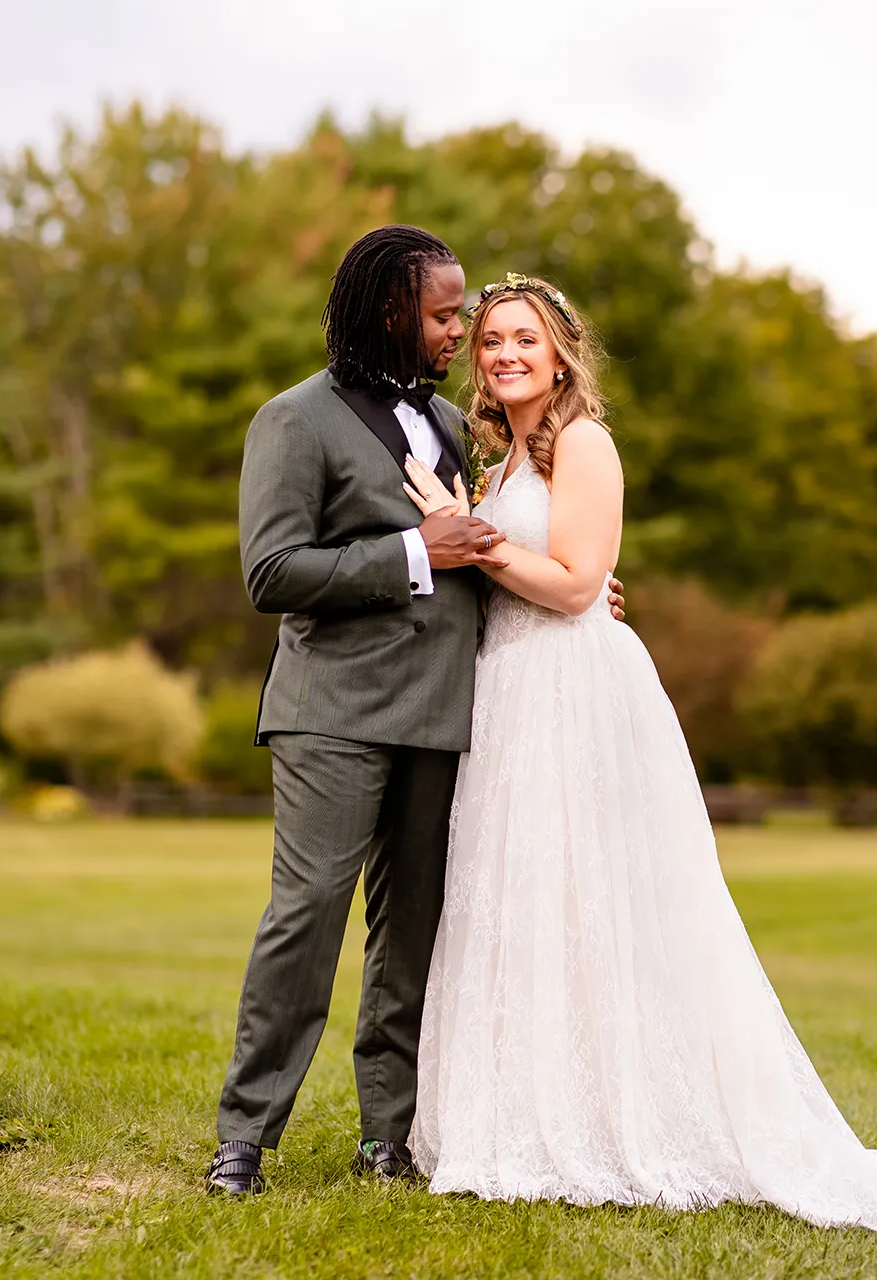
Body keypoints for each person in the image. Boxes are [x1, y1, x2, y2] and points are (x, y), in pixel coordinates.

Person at [400, 274, 877, 1231]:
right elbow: (538, 576)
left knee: (601, 900)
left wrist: (473, 540)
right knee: (528, 899)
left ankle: (629, 1116)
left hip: (576, 695)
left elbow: (580, 587)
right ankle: (530, 1113)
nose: (502, 354)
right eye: (491, 339)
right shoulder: (496, 462)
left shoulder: (584, 443)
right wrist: (472, 534)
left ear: (562, 352)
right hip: (509, 695)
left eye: (524, 340)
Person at [210, 229, 622, 1195]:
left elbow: (491, 550)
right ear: (390, 311)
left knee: (415, 931)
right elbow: (272, 573)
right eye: (444, 315)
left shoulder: (449, 426)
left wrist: (576, 591)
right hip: (333, 713)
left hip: (446, 715)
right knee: (306, 917)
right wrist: (412, 554)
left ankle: (386, 1138)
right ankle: (245, 1137)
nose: (459, 331)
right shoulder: (293, 422)